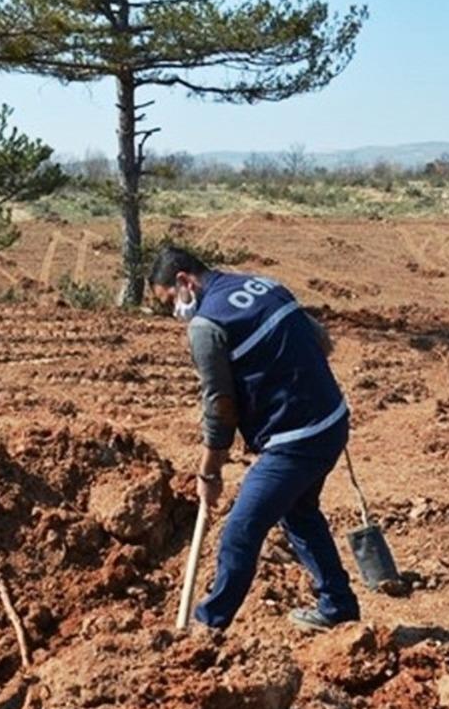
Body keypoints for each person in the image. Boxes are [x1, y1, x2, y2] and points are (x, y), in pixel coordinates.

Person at [147, 246, 360, 633]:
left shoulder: (206, 325)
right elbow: (321, 340)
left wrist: (210, 472)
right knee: (299, 513)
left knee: (240, 532)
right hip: (331, 419)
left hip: (297, 440)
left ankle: (206, 628)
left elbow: (219, 405)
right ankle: (338, 606)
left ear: (183, 282)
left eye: (170, 302)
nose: (177, 312)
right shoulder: (261, 283)